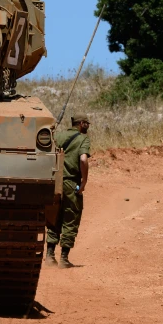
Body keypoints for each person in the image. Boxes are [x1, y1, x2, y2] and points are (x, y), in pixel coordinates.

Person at [46, 113, 91, 268]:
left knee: (54, 217)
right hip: (71, 183)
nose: (88, 127)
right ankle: (64, 259)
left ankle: (49, 255)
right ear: (82, 124)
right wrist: (84, 181)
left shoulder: (58, 136)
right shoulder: (83, 139)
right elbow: (83, 159)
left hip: (55, 183)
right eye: (87, 124)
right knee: (71, 218)